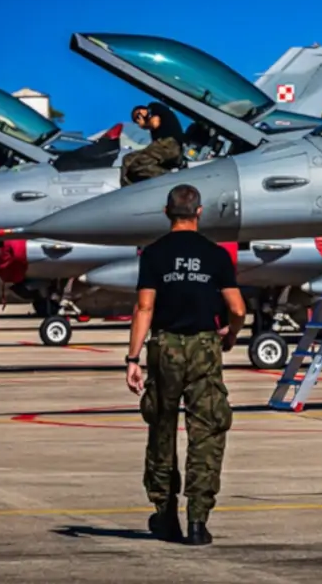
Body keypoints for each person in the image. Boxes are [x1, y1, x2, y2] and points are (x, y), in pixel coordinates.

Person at [124, 183, 246, 546]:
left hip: (164, 348)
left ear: (167, 213)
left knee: (162, 429)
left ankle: (165, 517)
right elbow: (238, 308)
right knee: (206, 430)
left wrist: (133, 359)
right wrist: (230, 333)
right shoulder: (216, 255)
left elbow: (144, 308)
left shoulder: (154, 254)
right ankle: (197, 520)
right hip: (204, 347)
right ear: (199, 212)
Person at [120, 102, 185, 187]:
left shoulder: (153, 107)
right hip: (165, 148)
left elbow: (155, 123)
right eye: (136, 119)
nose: (139, 118)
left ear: (144, 109)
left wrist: (144, 125)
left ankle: (172, 178)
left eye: (139, 114)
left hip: (170, 143)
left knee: (137, 162)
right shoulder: (154, 132)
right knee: (130, 161)